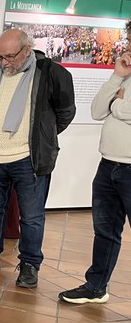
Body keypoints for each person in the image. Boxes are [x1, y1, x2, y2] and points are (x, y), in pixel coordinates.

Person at [0, 28, 75, 288]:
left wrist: (41, 137)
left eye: (10, 56)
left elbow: (65, 112)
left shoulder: (51, 73)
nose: (4, 62)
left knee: (31, 217)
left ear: (27, 50)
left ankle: (29, 264)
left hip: (28, 160)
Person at [59, 23, 131, 304]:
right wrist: (116, 78)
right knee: (104, 232)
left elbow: (116, 109)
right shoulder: (123, 75)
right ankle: (95, 287)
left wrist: (117, 106)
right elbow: (97, 109)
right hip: (108, 165)